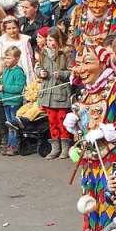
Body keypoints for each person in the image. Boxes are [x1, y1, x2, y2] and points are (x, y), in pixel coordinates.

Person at [66, 46, 116, 231]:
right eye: (79, 63)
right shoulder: (86, 92)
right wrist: (76, 126)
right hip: (90, 164)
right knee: (91, 207)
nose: (81, 68)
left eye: (88, 62)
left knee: (112, 206)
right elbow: (86, 128)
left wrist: (107, 130)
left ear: (103, 63)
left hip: (114, 163)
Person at [37, 26, 72, 160]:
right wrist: (40, 72)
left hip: (61, 93)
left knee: (62, 121)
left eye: (53, 40)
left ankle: (65, 147)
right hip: (48, 93)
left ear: (59, 40)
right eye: (49, 40)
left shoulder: (66, 54)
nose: (50, 43)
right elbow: (38, 67)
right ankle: (55, 147)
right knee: (52, 122)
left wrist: (62, 74)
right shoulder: (43, 53)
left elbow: (72, 72)